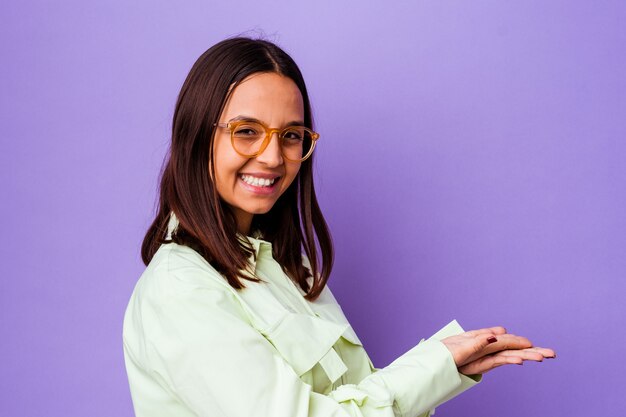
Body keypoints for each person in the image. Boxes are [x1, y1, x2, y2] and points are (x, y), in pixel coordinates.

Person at [123, 37, 555, 417]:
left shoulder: (289, 267)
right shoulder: (181, 290)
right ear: (196, 135)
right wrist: (433, 365)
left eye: (291, 135)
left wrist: (446, 369)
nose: (274, 157)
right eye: (247, 131)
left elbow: (350, 401)